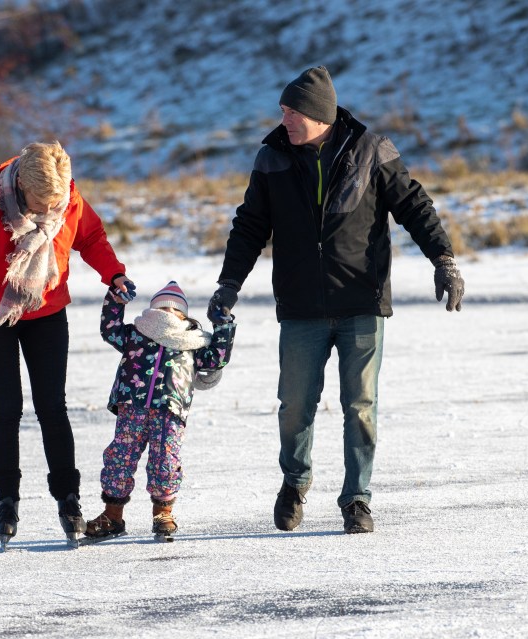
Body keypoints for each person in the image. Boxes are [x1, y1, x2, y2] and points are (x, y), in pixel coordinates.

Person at [207, 66, 465, 535]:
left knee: (360, 406)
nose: (283, 118)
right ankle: (294, 483)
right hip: (301, 305)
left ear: (317, 114)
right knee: (295, 405)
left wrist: (443, 260)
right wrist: (229, 283)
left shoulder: (373, 151)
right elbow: (249, 226)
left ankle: (357, 499)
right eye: (282, 110)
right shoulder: (272, 158)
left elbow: (415, 206)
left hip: (361, 301)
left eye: (291, 111)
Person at [0, 141, 136, 549]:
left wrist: (113, 274)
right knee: (6, 408)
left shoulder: (68, 200)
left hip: (46, 313)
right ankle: (6, 501)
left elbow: (90, 238)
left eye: (53, 203)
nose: (47, 211)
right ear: (21, 186)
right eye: (39, 203)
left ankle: (69, 499)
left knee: (52, 407)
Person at [82, 280, 236, 543]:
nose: (167, 312)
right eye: (161, 307)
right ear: (151, 311)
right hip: (133, 407)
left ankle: (163, 513)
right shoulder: (136, 334)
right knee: (121, 456)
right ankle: (112, 515)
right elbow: (110, 330)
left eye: (174, 309)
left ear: (184, 315)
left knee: (165, 458)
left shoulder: (193, 342)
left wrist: (223, 324)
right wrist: (115, 302)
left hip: (170, 409)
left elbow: (218, 357)